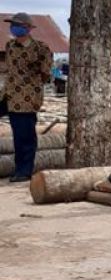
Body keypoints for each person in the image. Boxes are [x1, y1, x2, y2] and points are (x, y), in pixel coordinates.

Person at [3, 13, 53, 184]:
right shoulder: (10, 46)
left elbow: (45, 73)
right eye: (12, 25)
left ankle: (23, 171)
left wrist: (29, 84)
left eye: (17, 25)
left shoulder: (41, 48)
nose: (13, 28)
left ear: (28, 28)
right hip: (7, 95)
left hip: (26, 98)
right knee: (20, 136)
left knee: (23, 137)